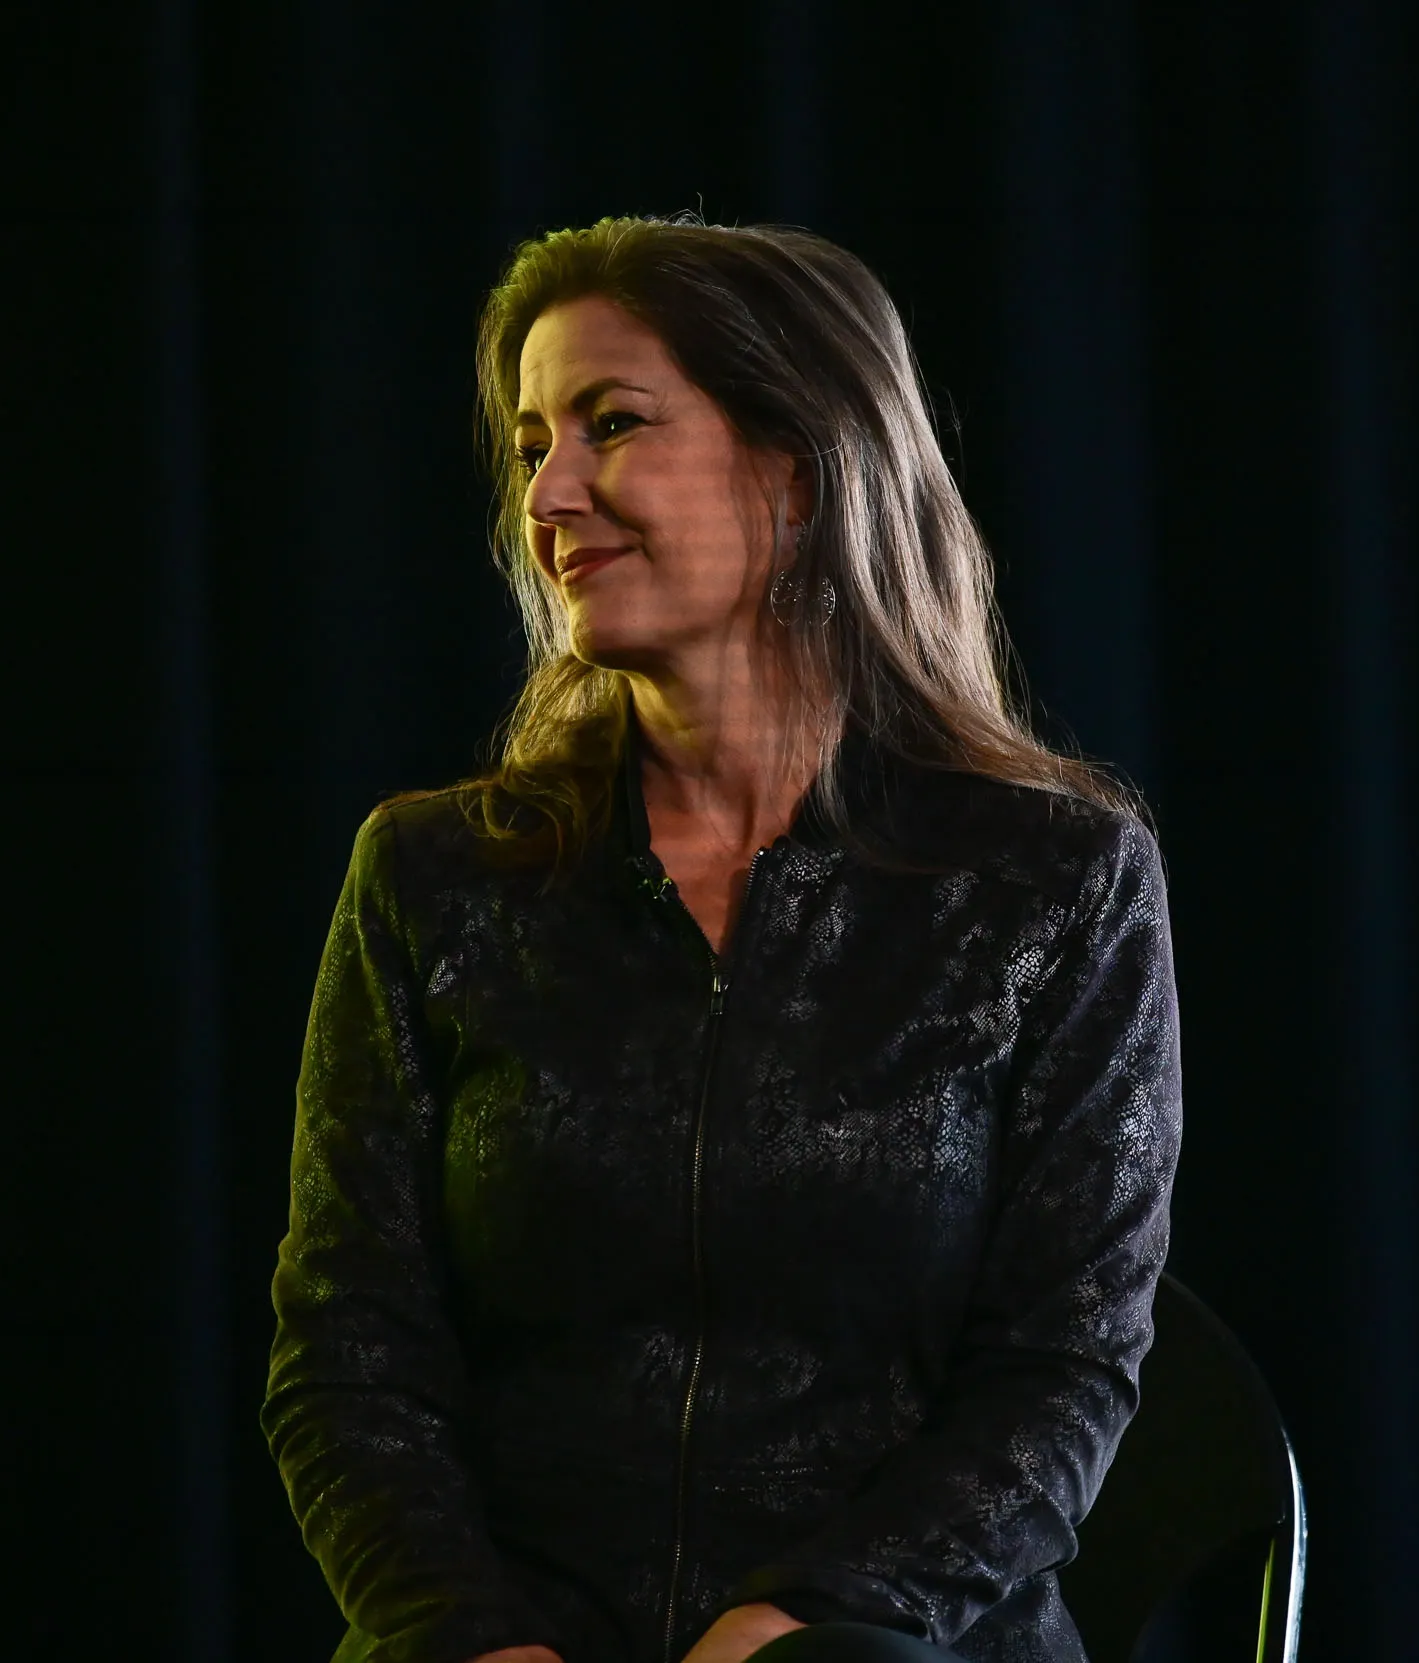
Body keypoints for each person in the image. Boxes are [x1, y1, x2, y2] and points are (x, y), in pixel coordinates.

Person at [260, 213, 1183, 1663]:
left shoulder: (1054, 878)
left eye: (611, 425)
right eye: (529, 443)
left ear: (799, 474)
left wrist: (793, 1626)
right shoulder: (433, 877)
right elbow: (349, 1358)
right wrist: (465, 1636)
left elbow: (1061, 1370)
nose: (549, 491)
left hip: (890, 1646)